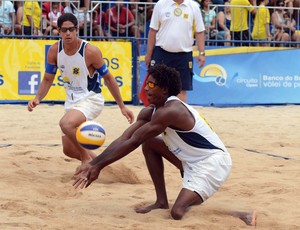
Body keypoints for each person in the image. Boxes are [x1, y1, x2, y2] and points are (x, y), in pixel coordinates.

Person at [73, 64, 256, 225]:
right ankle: (161, 201)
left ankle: (241, 214)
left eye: (152, 85)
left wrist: (98, 166)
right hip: (190, 160)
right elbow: (125, 138)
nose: (147, 88)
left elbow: (133, 141)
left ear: (165, 90)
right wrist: (93, 165)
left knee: (177, 213)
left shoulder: (171, 110)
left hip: (212, 163)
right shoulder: (150, 111)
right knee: (150, 143)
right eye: (146, 84)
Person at [27, 13, 134, 172]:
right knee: (69, 150)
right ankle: (99, 164)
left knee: (66, 124)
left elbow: (109, 79)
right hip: (72, 102)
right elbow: (48, 79)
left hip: (91, 99)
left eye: (71, 29)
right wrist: (37, 98)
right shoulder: (54, 51)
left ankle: (86, 161)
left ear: (77, 30)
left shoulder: (90, 51)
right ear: (59, 31)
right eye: (64, 30)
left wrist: (122, 106)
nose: (68, 33)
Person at [145, 0, 206, 103]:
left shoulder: (194, 6)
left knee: (181, 90)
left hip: (184, 55)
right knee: (154, 88)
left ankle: (178, 117)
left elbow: (199, 32)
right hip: (161, 52)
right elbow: (153, 31)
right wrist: (149, 54)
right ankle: (155, 116)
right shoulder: (161, 4)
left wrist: (202, 53)